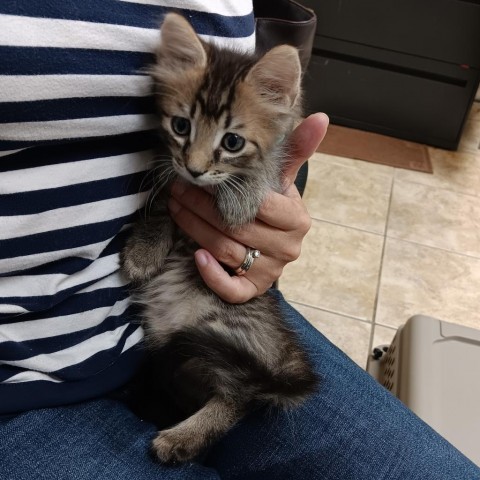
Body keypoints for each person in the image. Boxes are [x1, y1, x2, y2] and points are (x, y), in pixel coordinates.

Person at [0, 2, 478, 479]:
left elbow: (266, 151)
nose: (195, 163)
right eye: (182, 129)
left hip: (196, 301)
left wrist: (267, 231)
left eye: (224, 143)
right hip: (26, 367)